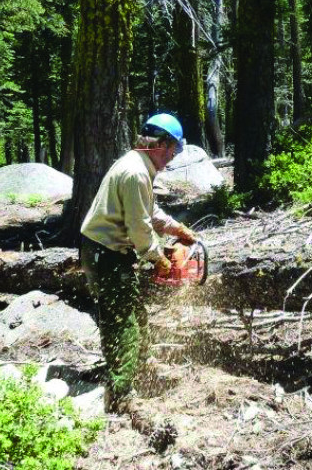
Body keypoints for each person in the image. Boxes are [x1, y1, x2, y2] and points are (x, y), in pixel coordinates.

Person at [79, 113, 200, 412]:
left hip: (108, 251)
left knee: (133, 317)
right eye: (173, 150)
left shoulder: (137, 167)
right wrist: (158, 259)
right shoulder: (136, 172)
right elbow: (138, 226)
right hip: (106, 254)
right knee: (123, 324)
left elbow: (149, 211)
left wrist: (177, 229)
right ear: (161, 144)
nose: (172, 157)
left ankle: (137, 369)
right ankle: (121, 393)